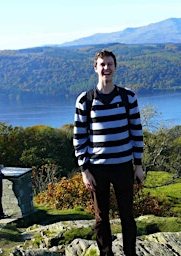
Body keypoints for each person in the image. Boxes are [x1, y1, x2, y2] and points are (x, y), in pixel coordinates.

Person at [73, 50, 145, 256]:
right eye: (102, 64)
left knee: (127, 216)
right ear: (95, 68)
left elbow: (136, 131)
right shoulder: (85, 100)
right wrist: (84, 170)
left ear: (115, 67)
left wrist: (138, 165)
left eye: (110, 64)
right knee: (101, 218)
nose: (106, 68)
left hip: (123, 166)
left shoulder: (127, 97)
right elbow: (79, 137)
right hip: (97, 169)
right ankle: (106, 254)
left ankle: (130, 253)